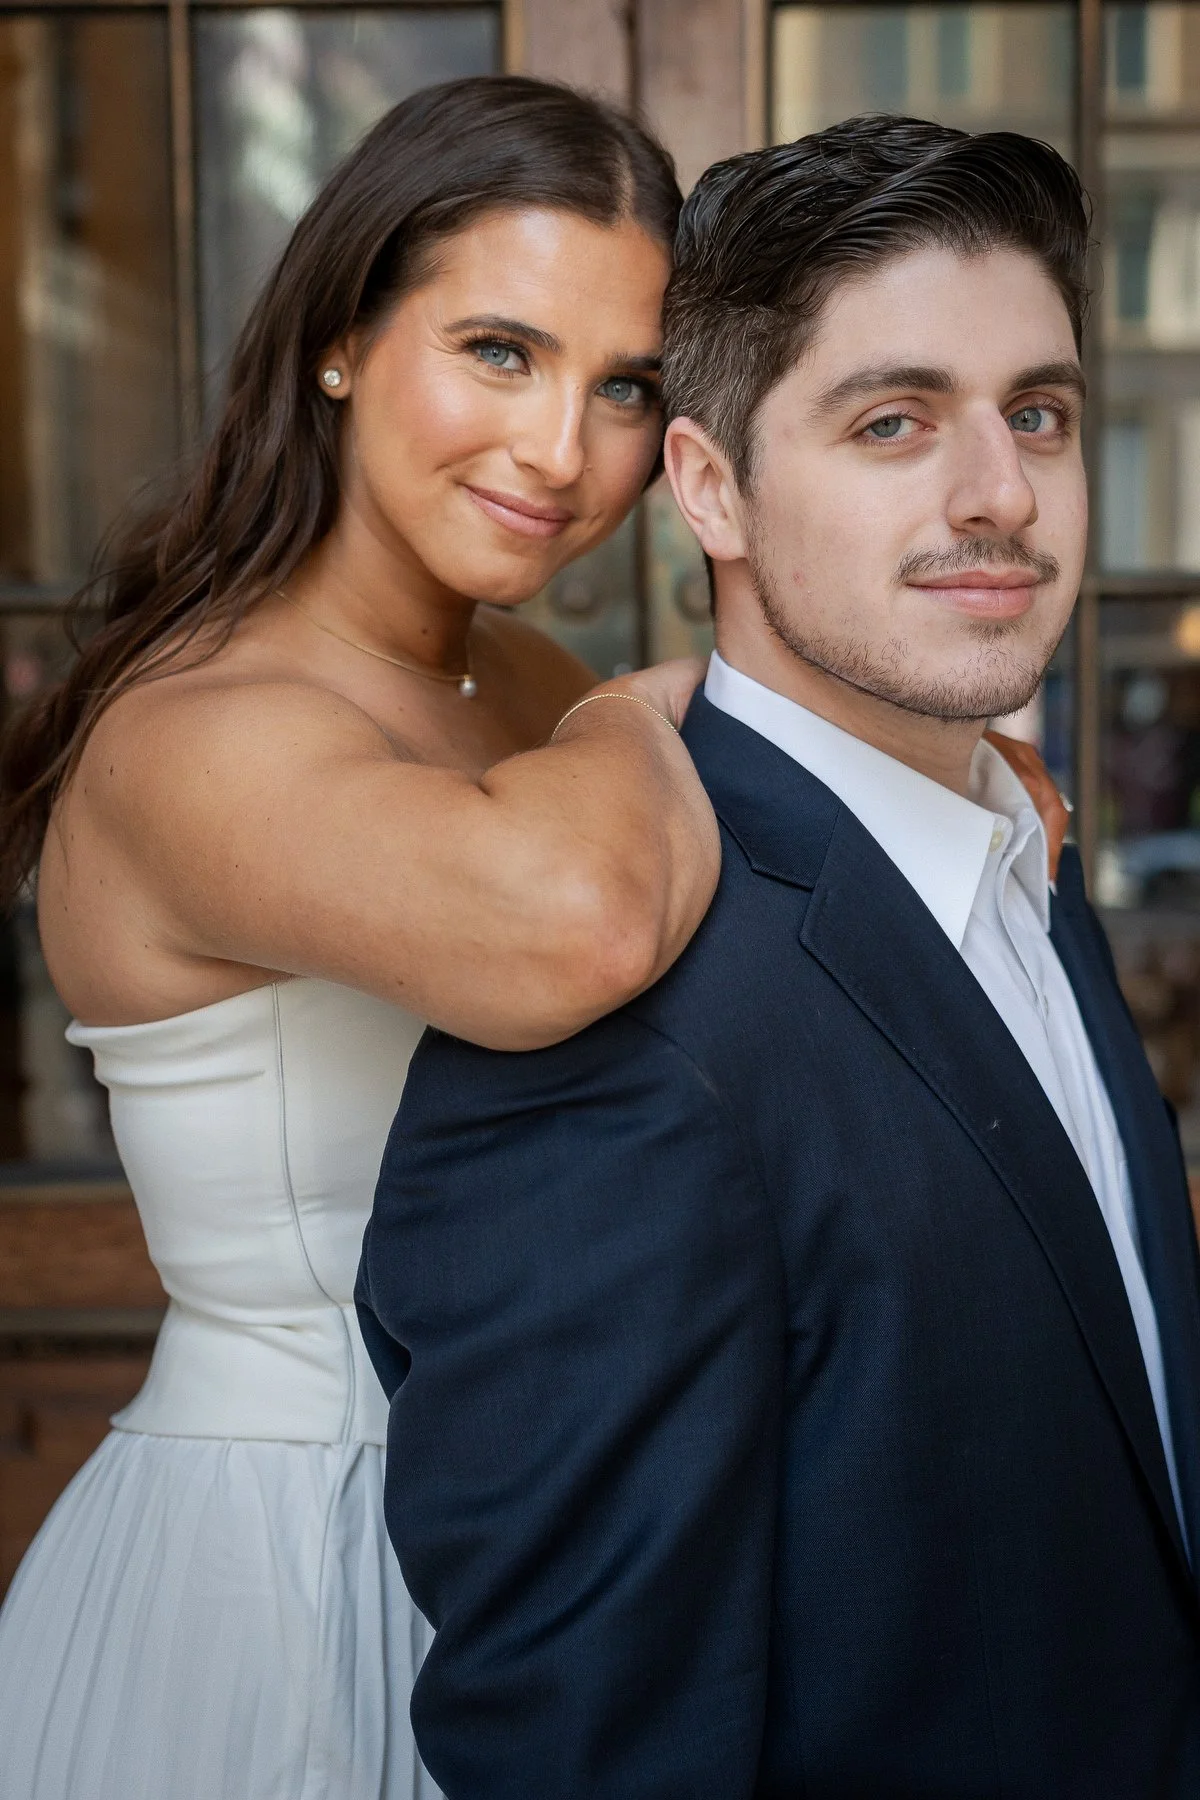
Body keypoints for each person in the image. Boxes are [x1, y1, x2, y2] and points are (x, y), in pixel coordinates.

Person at [360, 116, 1200, 1796]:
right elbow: (588, 1750)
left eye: (1035, 411)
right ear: (710, 484)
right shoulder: (617, 1039)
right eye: (894, 421)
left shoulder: (1022, 862)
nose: (1002, 495)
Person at [0, 77, 722, 1800]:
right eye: (498, 349)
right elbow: (578, 921)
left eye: (624, 385)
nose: (562, 449)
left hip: (550, 1545)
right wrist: (669, 707)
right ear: (339, 338)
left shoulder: (526, 689)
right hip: (284, 1563)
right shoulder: (201, 727)